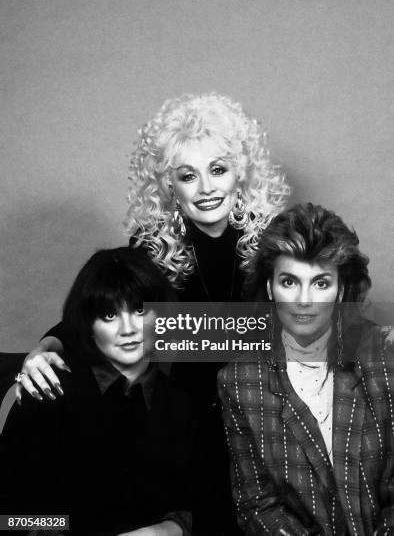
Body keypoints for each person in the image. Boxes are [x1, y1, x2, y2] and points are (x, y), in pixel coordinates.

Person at [11, 93, 290, 534]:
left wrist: (373, 338)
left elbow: (317, 315)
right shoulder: (153, 244)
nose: (206, 188)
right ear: (169, 185)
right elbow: (101, 310)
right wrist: (45, 348)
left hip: (262, 414)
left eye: (218, 170)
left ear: (242, 172)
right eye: (187, 176)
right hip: (181, 416)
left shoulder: (278, 240)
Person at [218, 203, 394, 535]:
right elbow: (257, 505)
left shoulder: (385, 356)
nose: (304, 300)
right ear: (270, 288)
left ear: (341, 290)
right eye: (289, 281)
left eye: (320, 283)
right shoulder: (240, 381)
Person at [0, 247, 193, 536]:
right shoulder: (48, 390)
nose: (128, 329)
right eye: (109, 314)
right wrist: (64, 529)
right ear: (89, 325)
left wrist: (166, 530)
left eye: (140, 310)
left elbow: (204, 503)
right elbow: (8, 518)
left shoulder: (183, 393)